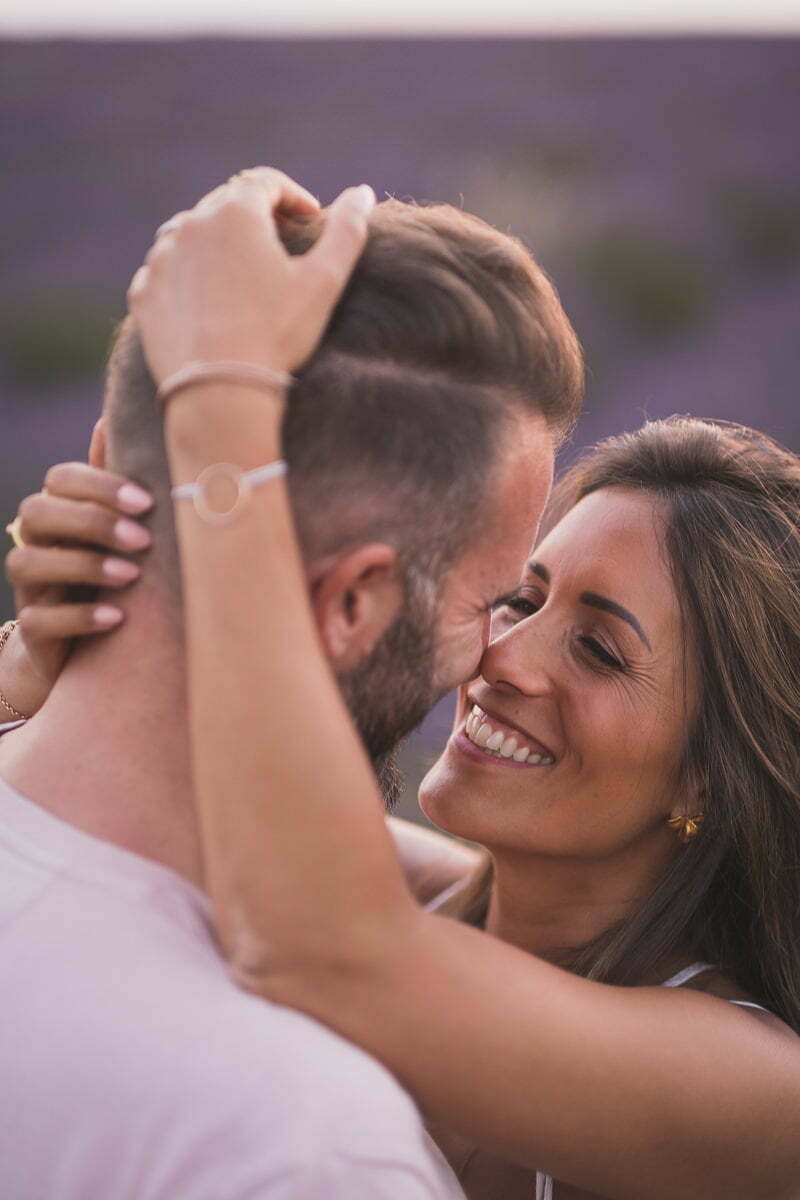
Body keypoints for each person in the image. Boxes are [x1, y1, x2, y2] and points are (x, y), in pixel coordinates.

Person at [82, 170, 799, 1200]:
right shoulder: (428, 900)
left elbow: (316, 942)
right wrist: (43, 649)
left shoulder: (755, 1089)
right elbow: (203, 790)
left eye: (599, 650)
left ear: (708, 775)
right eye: (519, 598)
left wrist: (220, 396)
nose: (502, 656)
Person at [0, 171, 584, 1199]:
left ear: (103, 460)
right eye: (494, 601)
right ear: (351, 602)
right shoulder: (304, 1148)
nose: (496, 657)